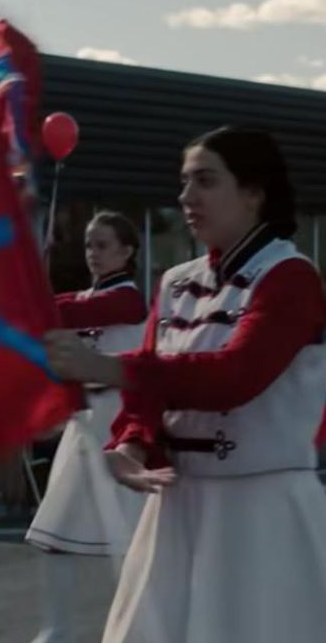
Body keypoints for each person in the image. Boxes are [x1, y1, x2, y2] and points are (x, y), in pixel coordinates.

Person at [44, 127, 326, 643]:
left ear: (253, 192)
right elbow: (151, 387)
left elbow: (235, 376)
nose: (185, 197)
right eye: (183, 182)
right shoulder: (176, 280)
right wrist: (130, 441)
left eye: (205, 181)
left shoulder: (291, 276)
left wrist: (105, 366)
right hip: (176, 508)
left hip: (261, 512)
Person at [26, 211, 149, 643]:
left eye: (102, 245)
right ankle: (56, 630)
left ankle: (139, 630)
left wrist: (30, 298)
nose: (93, 254)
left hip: (119, 429)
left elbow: (69, 313)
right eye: (88, 246)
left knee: (132, 541)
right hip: (83, 427)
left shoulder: (130, 300)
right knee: (55, 534)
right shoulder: (81, 298)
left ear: (127, 251)